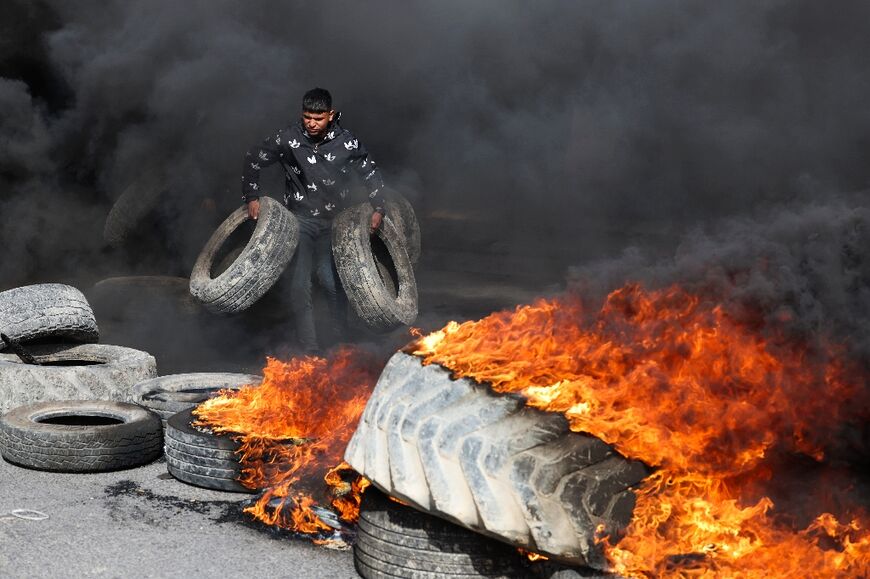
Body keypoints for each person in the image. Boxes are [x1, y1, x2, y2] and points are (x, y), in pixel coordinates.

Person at [241, 87, 385, 354]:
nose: (311, 123)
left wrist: (379, 208)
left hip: (334, 223)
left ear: (330, 115)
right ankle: (310, 350)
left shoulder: (347, 143)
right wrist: (252, 196)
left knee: (330, 281)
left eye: (318, 118)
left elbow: (370, 172)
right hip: (301, 222)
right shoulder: (288, 138)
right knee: (299, 286)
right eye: (307, 117)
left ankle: (343, 346)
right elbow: (253, 158)